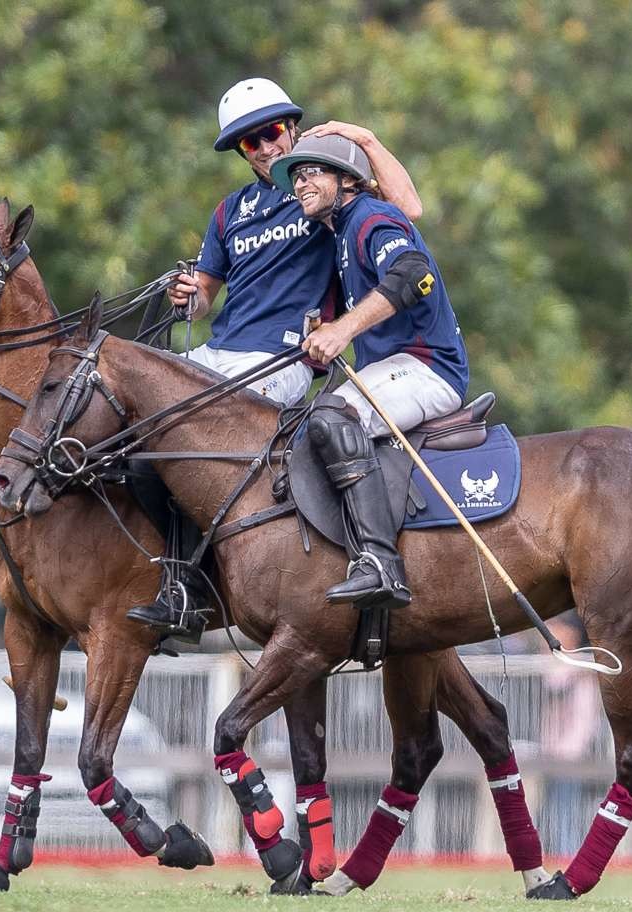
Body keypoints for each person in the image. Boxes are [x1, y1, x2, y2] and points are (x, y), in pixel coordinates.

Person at [128, 78, 424, 636]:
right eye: (249, 143)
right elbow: (207, 294)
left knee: (186, 436)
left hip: (281, 361)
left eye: (270, 133)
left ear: (291, 127)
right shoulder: (229, 212)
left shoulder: (319, 188)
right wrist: (190, 294)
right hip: (217, 353)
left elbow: (408, 208)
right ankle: (179, 585)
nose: (265, 149)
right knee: (134, 432)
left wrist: (363, 136)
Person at [270, 134, 469, 609]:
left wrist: (343, 331)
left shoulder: (371, 217)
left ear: (348, 181)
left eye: (313, 172)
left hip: (429, 368)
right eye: (296, 177)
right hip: (395, 368)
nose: (301, 183)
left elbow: (413, 274)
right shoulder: (340, 234)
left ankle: (381, 563)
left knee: (333, 417)